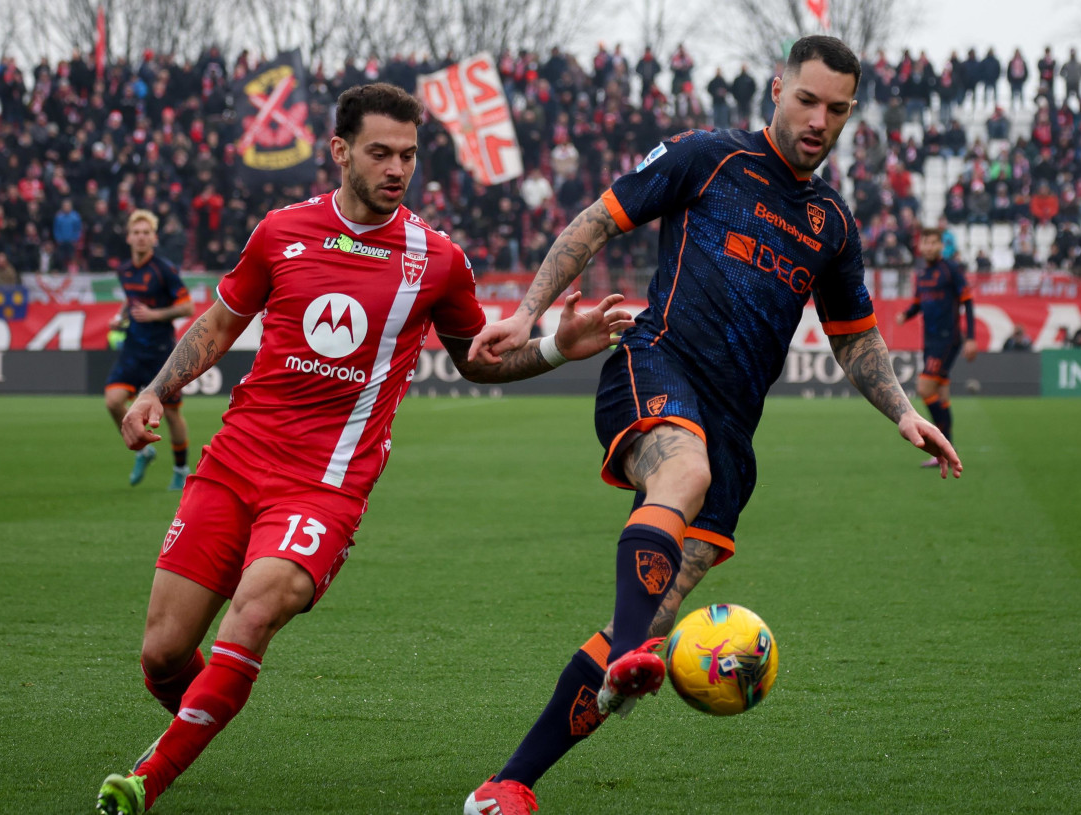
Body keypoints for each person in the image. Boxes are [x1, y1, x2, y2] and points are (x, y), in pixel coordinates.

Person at [93, 83, 632, 815]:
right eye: (381, 153)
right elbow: (220, 323)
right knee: (162, 655)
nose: (397, 169)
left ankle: (145, 779)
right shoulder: (281, 230)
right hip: (235, 460)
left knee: (252, 613)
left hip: (325, 484)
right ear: (340, 151)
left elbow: (477, 357)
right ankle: (211, 705)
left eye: (408, 155)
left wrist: (554, 350)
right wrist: (157, 387)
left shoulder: (436, 258)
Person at [463, 36, 962, 815]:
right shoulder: (709, 158)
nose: (818, 119)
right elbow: (598, 222)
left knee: (653, 618)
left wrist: (904, 411)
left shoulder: (832, 223)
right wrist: (528, 313)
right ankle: (631, 651)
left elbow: (854, 334)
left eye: (836, 109)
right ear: (777, 88)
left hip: (733, 433)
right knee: (679, 477)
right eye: (807, 99)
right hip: (657, 365)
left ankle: (507, 785)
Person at [104, 209, 196, 490]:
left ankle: (181, 469)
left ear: (154, 238)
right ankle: (144, 450)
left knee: (171, 414)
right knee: (112, 401)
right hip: (133, 348)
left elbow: (188, 307)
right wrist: (123, 316)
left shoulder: (164, 270)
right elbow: (132, 301)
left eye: (146, 233)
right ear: (129, 237)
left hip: (160, 352)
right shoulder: (124, 270)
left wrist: (154, 315)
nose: (141, 238)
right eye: (137, 233)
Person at [895, 227, 978, 467]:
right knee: (940, 394)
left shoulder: (950, 269)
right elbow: (919, 304)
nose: (929, 247)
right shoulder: (922, 274)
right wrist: (905, 315)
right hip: (930, 340)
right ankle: (946, 450)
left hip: (947, 339)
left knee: (924, 387)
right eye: (926, 243)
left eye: (933, 243)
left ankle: (940, 445)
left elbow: (968, 302)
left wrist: (971, 337)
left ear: (941, 246)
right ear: (921, 246)